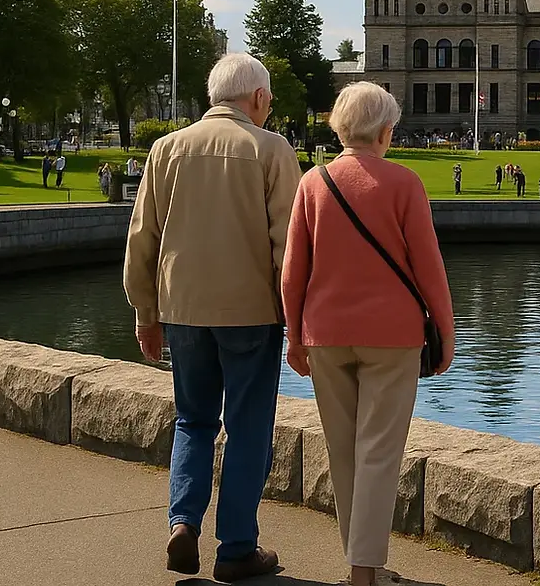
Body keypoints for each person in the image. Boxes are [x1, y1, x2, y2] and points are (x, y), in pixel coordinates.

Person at [123, 53, 302, 582]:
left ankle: (183, 522)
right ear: (259, 98)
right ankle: (237, 547)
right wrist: (298, 320)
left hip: (182, 309)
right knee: (248, 427)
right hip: (251, 313)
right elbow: (288, 247)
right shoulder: (271, 149)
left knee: (193, 420)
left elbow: (142, 238)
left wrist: (145, 313)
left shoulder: (166, 149)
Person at [281, 82, 454, 586]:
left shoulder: (313, 183)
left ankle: (364, 564)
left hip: (325, 332)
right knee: (379, 451)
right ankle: (365, 569)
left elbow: (292, 272)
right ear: (385, 131)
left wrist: (294, 335)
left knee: (343, 451)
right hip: (392, 335)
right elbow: (429, 268)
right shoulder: (404, 183)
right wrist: (446, 332)